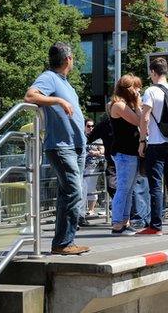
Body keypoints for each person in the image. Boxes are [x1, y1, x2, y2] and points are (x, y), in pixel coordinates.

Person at [24, 42, 89, 255]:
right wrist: (58, 100)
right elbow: (30, 96)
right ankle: (63, 243)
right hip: (62, 147)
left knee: (67, 193)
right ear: (68, 59)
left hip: (76, 146)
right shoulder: (50, 77)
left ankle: (63, 242)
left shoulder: (65, 82)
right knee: (73, 191)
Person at [137, 58, 168, 235]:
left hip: (156, 143)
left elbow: (145, 117)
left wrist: (142, 140)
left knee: (156, 184)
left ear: (153, 72)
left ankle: (155, 226)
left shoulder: (151, 91)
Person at [109, 74, 143, 236]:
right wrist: (138, 102)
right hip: (124, 153)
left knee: (128, 190)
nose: (138, 91)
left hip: (130, 152)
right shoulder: (118, 105)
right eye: (136, 88)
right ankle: (117, 224)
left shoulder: (125, 104)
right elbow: (139, 121)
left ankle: (125, 221)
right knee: (123, 188)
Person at [88, 115, 116, 203]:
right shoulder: (104, 124)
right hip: (112, 162)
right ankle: (120, 210)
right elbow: (89, 138)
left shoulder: (128, 118)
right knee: (111, 186)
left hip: (127, 159)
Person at [81, 118, 104, 225]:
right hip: (82, 165)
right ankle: (82, 211)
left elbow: (102, 151)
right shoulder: (82, 137)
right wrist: (94, 152)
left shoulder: (97, 138)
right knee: (83, 188)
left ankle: (91, 209)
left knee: (90, 187)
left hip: (93, 165)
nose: (91, 128)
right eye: (88, 126)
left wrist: (94, 152)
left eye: (92, 126)